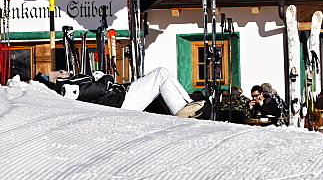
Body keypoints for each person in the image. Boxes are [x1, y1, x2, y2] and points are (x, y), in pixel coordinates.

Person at [38, 67, 203, 118]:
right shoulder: (66, 87)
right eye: (59, 72)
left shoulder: (71, 82)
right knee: (160, 74)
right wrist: (105, 77)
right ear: (56, 80)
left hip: (120, 99)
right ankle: (182, 109)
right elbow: (98, 89)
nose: (65, 72)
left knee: (162, 78)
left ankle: (186, 106)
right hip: (119, 102)